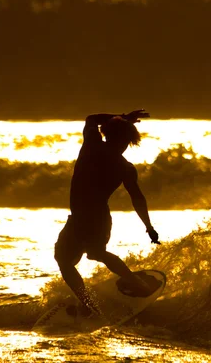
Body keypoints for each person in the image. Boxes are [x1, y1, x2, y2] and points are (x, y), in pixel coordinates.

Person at [54, 109, 161, 315]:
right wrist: (148, 226)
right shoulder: (124, 166)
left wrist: (122, 118)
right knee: (90, 254)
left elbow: (91, 118)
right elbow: (137, 198)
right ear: (127, 141)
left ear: (106, 133)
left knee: (68, 260)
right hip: (96, 218)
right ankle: (102, 297)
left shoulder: (91, 146)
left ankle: (89, 302)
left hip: (84, 217)